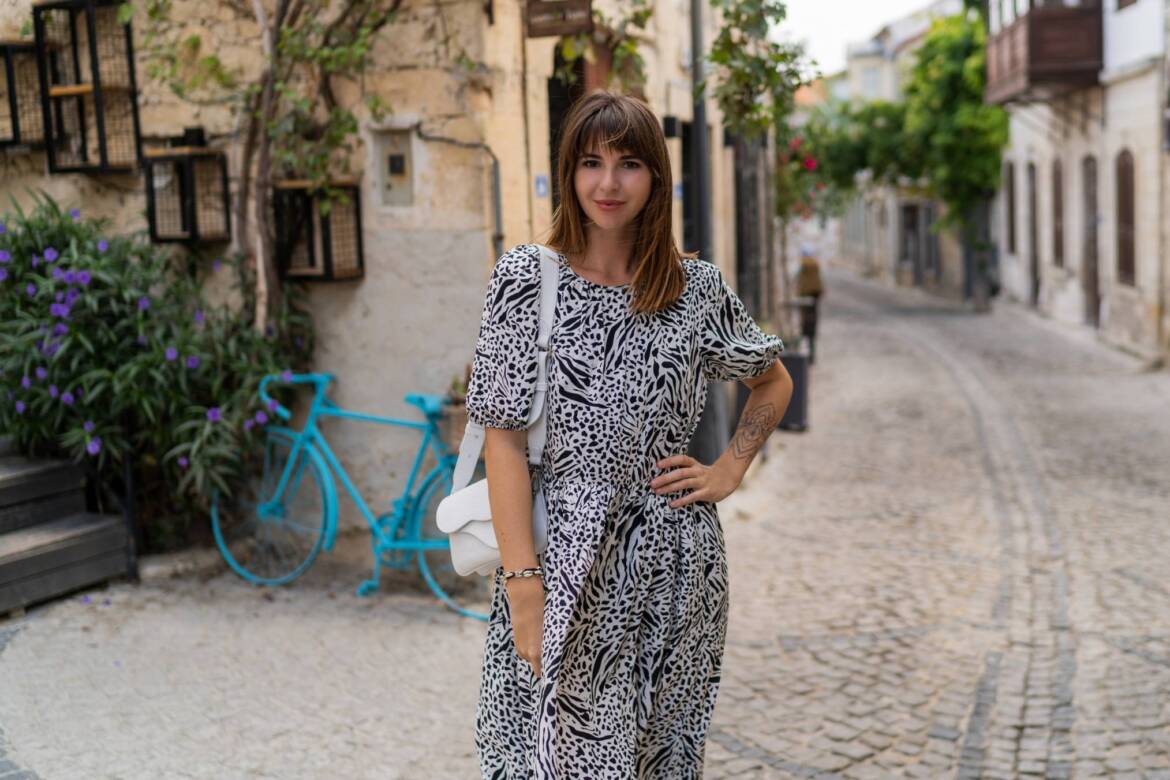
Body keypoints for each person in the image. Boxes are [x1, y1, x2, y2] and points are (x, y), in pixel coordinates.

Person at [466, 90, 793, 779]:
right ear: (568, 173)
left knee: (661, 762)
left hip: (678, 568)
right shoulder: (527, 279)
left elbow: (773, 380)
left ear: (657, 178)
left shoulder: (695, 290)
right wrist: (524, 583)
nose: (608, 184)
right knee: (557, 759)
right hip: (565, 565)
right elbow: (502, 440)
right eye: (590, 162)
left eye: (629, 164)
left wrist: (729, 468)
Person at [795, 245, 823, 364]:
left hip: (805, 302)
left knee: (804, 329)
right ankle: (811, 355)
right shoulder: (815, 267)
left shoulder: (803, 267)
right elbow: (819, 287)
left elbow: (800, 285)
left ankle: (805, 355)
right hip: (813, 301)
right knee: (811, 330)